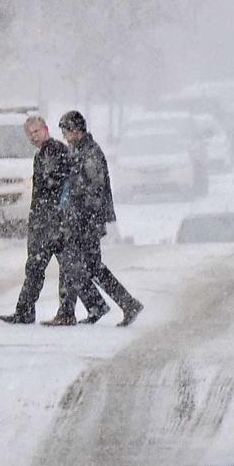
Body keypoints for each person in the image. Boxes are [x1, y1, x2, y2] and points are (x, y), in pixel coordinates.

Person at [51, 110, 143, 328]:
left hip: (86, 220)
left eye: (67, 131)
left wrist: (83, 213)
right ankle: (107, 305)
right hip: (79, 218)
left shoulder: (90, 153)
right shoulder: (78, 150)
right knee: (86, 266)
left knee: (82, 265)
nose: (65, 136)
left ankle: (119, 304)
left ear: (78, 130)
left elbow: (95, 189)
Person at [0, 114, 76, 325]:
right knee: (50, 266)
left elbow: (54, 185)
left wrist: (53, 214)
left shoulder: (53, 151)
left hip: (52, 220)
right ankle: (33, 310)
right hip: (47, 219)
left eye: (36, 131)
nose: (33, 137)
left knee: (46, 266)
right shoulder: (44, 153)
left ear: (46, 129)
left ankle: (53, 312)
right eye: (29, 134)